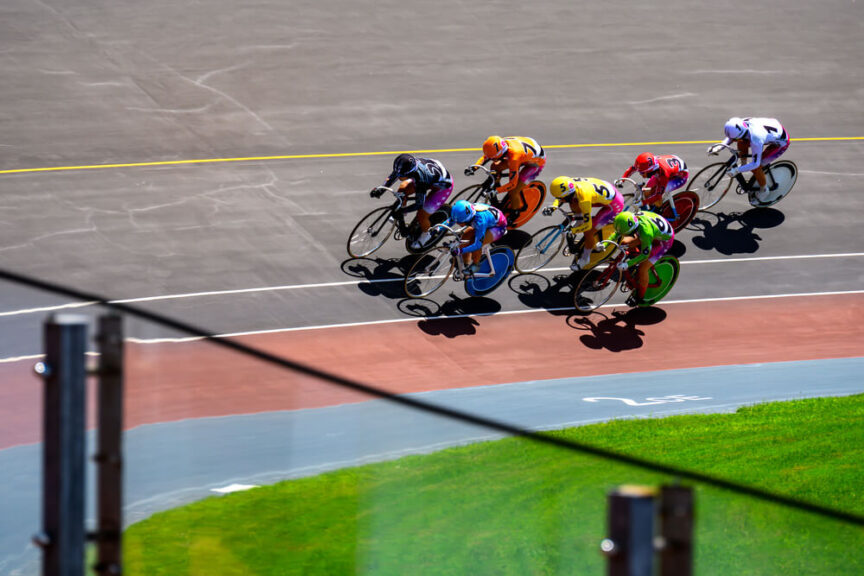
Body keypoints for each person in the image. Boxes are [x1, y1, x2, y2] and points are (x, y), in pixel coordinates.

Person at [371, 153, 453, 249]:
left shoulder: (420, 179)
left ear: (410, 173)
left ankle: (426, 235)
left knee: (422, 215)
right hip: (432, 177)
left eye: (402, 175)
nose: (399, 176)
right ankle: (402, 214)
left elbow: (419, 204)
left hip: (442, 188)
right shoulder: (407, 166)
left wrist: (401, 211)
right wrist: (380, 190)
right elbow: (394, 176)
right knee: (402, 188)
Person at [542, 176, 625, 271]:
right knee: (573, 202)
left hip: (613, 206)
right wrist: (553, 207)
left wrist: (572, 230)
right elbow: (561, 197)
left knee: (589, 232)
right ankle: (579, 219)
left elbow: (588, 225)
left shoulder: (584, 199)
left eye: (563, 198)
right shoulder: (569, 184)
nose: (562, 200)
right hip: (600, 190)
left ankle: (585, 259)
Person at [708, 117, 790, 205]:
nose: (733, 141)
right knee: (741, 142)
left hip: (780, 143)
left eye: (734, 139)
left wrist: (736, 170)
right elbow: (731, 138)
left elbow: (755, 163)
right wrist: (719, 147)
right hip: (771, 129)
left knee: (756, 167)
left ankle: (764, 190)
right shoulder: (741, 123)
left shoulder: (756, 139)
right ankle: (744, 164)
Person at [464, 135, 546, 216]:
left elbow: (512, 184)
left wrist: (496, 191)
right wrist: (474, 167)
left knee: (513, 191)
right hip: (525, 151)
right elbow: (486, 157)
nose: (493, 159)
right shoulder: (499, 144)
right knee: (495, 166)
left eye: (494, 158)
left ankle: (515, 212)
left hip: (536, 162)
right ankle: (496, 184)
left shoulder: (514, 158)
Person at [608, 210, 674, 306]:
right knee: (625, 242)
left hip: (663, 241)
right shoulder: (629, 218)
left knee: (643, 269)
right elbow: (618, 233)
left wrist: (628, 264)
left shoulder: (646, 233)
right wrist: (606, 243)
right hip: (652, 228)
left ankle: (639, 297)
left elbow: (645, 255)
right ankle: (635, 251)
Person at [436, 199, 508, 275]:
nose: (457, 223)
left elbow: (477, 245)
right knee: (465, 235)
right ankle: (465, 263)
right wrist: (438, 228)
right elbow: (451, 220)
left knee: (474, 241)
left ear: (467, 220)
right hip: (488, 220)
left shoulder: (480, 222)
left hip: (498, 227)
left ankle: (476, 265)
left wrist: (460, 251)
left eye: (459, 222)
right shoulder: (467, 212)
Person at [617, 152, 689, 211]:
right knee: (647, 192)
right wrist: (622, 180)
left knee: (656, 196)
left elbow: (657, 196)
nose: (640, 173)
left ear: (650, 171)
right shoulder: (648, 165)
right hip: (671, 164)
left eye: (642, 173)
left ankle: (658, 211)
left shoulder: (663, 174)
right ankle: (652, 206)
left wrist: (642, 203)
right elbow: (632, 169)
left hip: (679, 177)